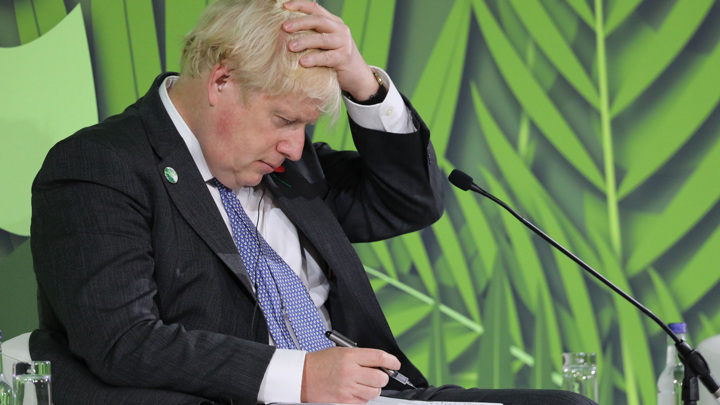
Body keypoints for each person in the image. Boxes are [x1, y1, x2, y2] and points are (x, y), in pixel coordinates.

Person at [29, 1, 595, 404]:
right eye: (284, 119)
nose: (295, 147)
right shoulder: (101, 165)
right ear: (221, 81)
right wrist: (299, 378)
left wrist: (362, 83)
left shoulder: (288, 165)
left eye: (305, 126)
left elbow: (410, 202)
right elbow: (125, 340)